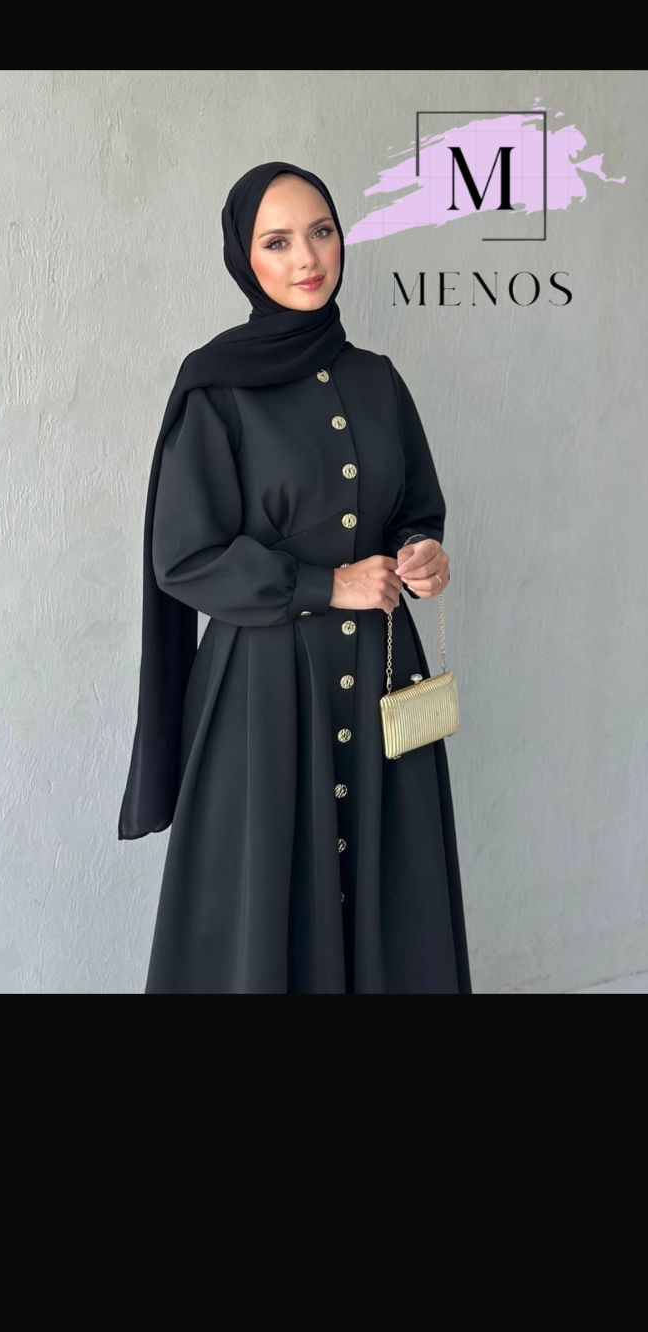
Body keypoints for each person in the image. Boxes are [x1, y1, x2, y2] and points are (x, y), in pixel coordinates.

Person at [118, 160, 472, 994]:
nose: (306, 257)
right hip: (264, 691)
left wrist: (422, 553)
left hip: (382, 674)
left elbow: (414, 509)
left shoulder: (377, 379)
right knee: (264, 905)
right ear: (244, 259)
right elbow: (184, 558)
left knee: (393, 897)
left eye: (320, 231)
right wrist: (325, 586)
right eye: (276, 241)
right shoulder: (216, 388)